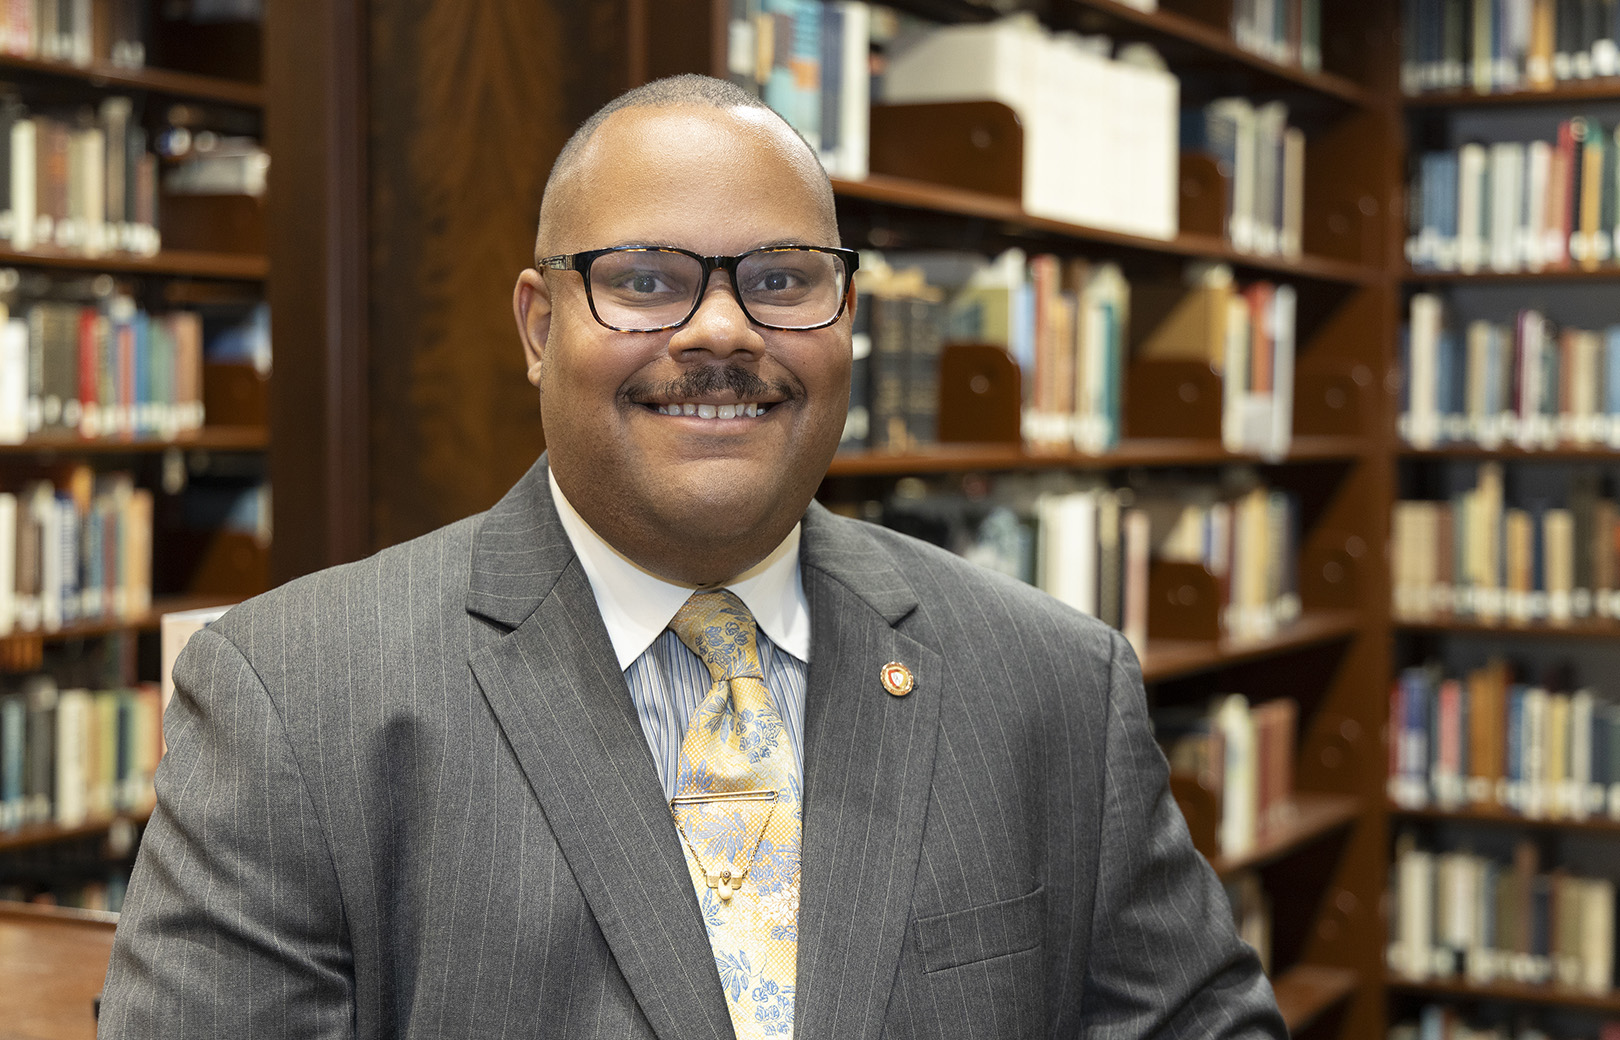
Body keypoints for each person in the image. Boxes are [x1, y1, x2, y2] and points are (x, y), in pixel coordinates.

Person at [98, 74, 1286, 1040]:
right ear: (537, 324)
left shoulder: (1055, 688)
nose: (722, 332)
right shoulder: (290, 698)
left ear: (847, 325)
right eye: (646, 281)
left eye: (782, 281)